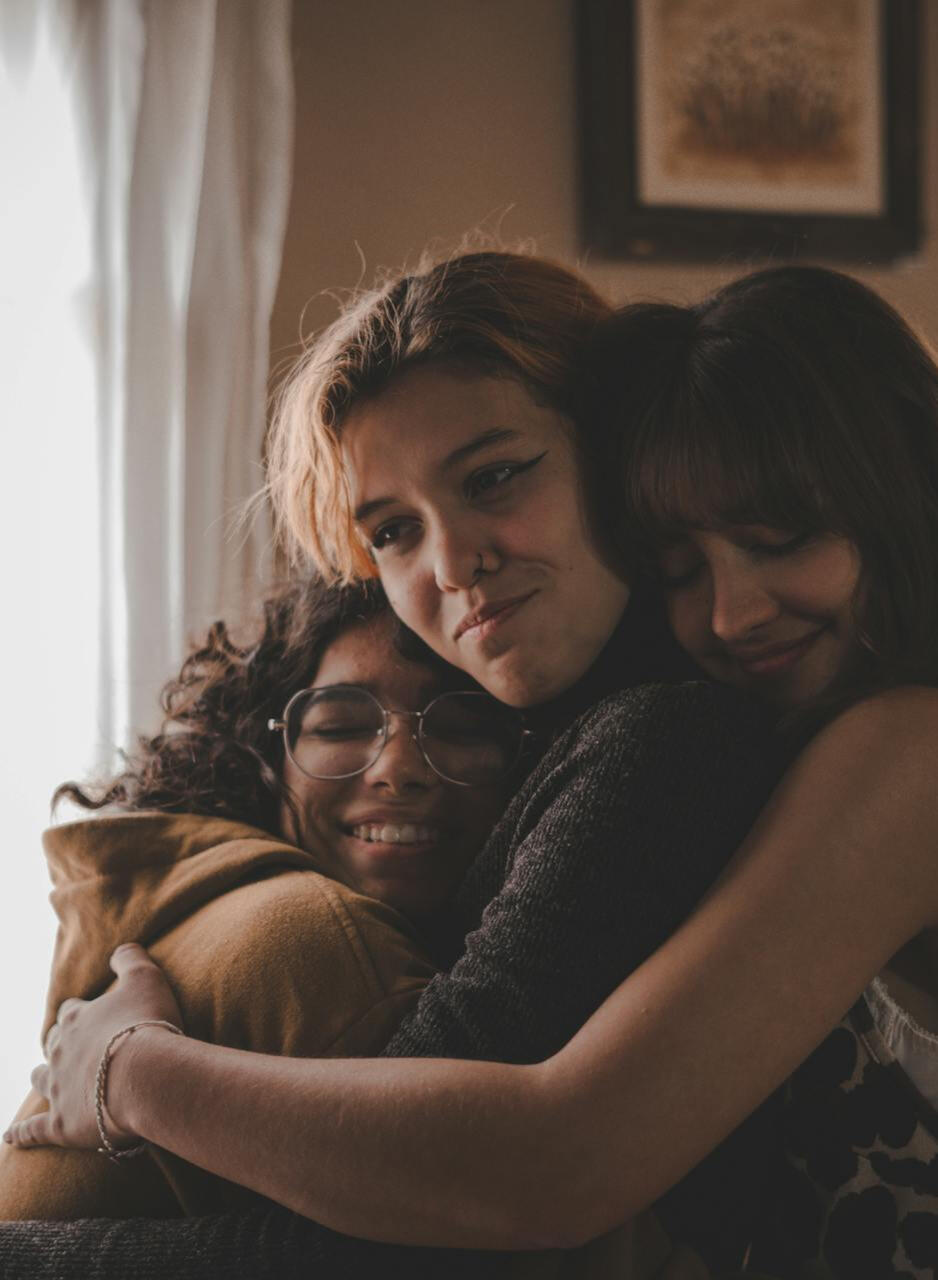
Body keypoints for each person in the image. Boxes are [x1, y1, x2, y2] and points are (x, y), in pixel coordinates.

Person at [10, 256, 936, 1277]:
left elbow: (497, 1192)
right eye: (393, 531)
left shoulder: (747, 742)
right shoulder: (720, 732)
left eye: (494, 476)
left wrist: (129, 1073)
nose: (452, 563)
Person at [0, 572, 517, 1227]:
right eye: (340, 725)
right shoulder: (325, 943)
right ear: (265, 755)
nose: (398, 768)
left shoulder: (193, 897)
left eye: (462, 726)